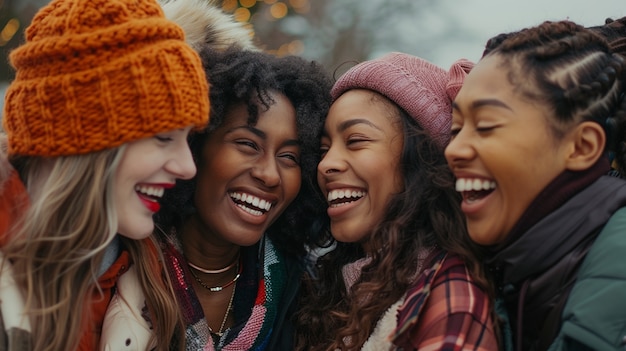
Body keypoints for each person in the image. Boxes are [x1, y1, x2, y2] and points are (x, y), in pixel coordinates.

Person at [0, 0, 210, 349]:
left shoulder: (155, 290)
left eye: (188, 139)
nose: (187, 167)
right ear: (77, 138)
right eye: (163, 137)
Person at [294, 52, 499, 350]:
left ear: (420, 160)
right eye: (324, 149)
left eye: (355, 140)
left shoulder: (453, 300)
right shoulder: (328, 288)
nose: (326, 165)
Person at [445, 20, 626, 351]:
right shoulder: (507, 275)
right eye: (456, 129)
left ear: (582, 146)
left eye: (485, 126)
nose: (453, 150)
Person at [153, 45, 333, 350]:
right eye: (248, 144)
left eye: (289, 156)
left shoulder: (309, 299)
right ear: (196, 147)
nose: (270, 175)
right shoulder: (122, 268)